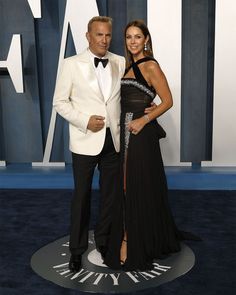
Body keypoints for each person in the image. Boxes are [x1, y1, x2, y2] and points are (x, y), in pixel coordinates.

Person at [53, 16, 155, 272]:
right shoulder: (70, 64)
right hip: (85, 140)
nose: (104, 39)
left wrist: (147, 104)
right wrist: (85, 120)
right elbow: (59, 102)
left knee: (111, 197)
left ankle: (104, 242)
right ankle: (76, 250)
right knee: (82, 197)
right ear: (88, 36)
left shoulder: (120, 62)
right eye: (99, 34)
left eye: (108, 35)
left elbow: (132, 91)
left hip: (115, 141)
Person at [104, 19, 199, 271]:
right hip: (124, 134)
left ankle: (131, 239)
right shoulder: (128, 65)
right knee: (126, 184)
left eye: (137, 37)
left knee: (135, 185)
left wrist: (145, 118)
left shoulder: (150, 65)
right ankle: (129, 233)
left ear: (146, 39)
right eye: (128, 37)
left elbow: (168, 100)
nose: (133, 41)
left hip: (139, 134)